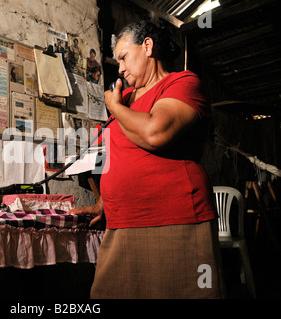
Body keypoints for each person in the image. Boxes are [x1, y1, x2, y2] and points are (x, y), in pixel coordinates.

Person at [68, 17, 225, 299]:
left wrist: (114, 106)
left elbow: (155, 133)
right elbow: (119, 154)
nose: (121, 68)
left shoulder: (182, 83)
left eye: (124, 57)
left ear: (148, 47)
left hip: (175, 220)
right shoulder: (125, 99)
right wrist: (104, 202)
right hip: (122, 223)